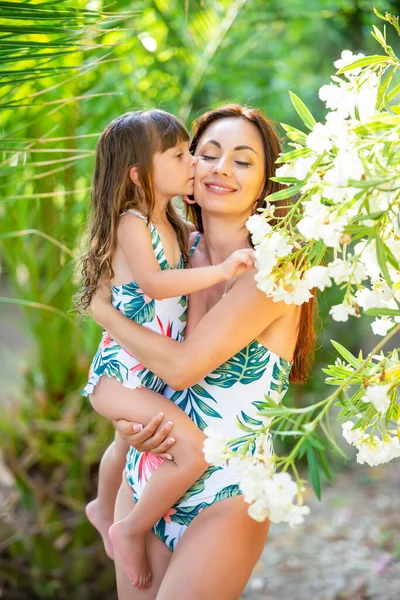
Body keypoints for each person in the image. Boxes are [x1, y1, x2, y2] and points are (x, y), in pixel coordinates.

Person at [91, 104, 316, 600]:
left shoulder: (274, 271)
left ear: (266, 181)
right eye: (208, 153)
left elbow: (180, 367)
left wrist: (102, 313)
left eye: (242, 160)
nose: (220, 168)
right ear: (185, 166)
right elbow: (130, 362)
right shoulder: (172, 253)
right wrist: (129, 423)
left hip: (228, 494)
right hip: (150, 476)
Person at [78, 109, 256, 588]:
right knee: (192, 453)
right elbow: (156, 285)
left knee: (125, 441)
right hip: (122, 373)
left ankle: (102, 505)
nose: (197, 162)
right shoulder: (134, 223)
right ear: (139, 174)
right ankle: (128, 529)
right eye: (182, 155)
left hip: (147, 372)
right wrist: (223, 272)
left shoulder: (174, 225)